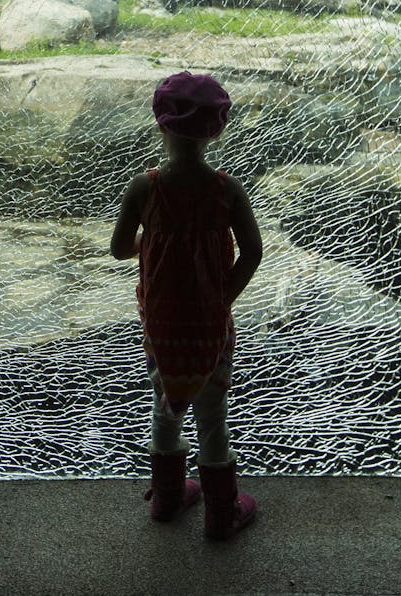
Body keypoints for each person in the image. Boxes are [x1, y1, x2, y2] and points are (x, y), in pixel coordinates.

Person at [109, 71, 263, 541]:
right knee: (212, 411)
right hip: (210, 324)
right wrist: (222, 299)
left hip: (160, 322)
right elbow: (253, 252)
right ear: (217, 130)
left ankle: (168, 497)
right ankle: (221, 511)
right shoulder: (227, 191)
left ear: (161, 125)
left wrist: (151, 242)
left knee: (164, 403)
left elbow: (119, 248)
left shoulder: (144, 188)